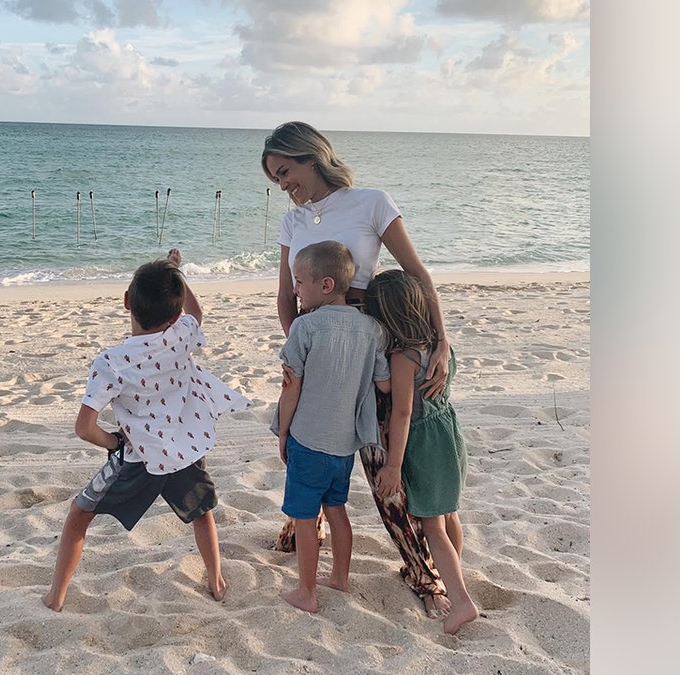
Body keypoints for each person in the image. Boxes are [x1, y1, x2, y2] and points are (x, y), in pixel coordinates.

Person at [261, 120, 454, 616]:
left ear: (311, 157)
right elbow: (286, 295)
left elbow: (416, 274)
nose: (283, 185)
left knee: (382, 464)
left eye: (285, 171)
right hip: (318, 353)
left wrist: (442, 340)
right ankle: (302, 529)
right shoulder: (293, 221)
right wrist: (302, 348)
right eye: (274, 179)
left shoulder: (371, 202)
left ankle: (422, 572)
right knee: (309, 443)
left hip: (372, 348)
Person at [42, 249, 251, 612]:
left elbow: (84, 427)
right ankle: (216, 581)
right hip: (183, 451)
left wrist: (113, 442)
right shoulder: (181, 336)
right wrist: (177, 273)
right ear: (176, 313)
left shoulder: (112, 361)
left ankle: (56, 596)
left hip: (137, 457)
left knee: (79, 515)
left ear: (126, 302)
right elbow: (197, 315)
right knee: (201, 511)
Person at [276, 241, 390, 613]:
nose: (294, 290)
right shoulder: (372, 330)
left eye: (299, 282)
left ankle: (306, 592)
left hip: (308, 440)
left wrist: (282, 431)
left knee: (305, 518)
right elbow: (384, 383)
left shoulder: (305, 328)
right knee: (337, 511)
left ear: (325, 285)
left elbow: (291, 390)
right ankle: (340, 577)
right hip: (344, 445)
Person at [365, 268, 478, 634]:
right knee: (449, 516)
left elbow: (401, 412)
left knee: (431, 526)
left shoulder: (404, 357)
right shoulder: (441, 347)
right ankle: (453, 575)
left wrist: (394, 465)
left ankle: (461, 602)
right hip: (450, 438)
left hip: (424, 446)